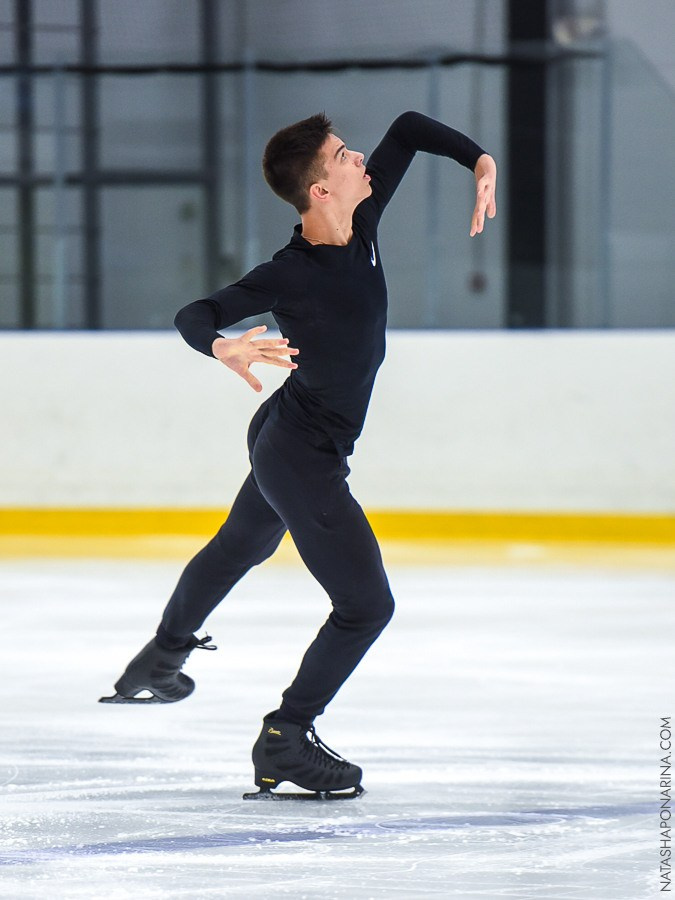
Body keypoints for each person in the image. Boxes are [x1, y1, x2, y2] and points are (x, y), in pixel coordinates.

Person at [100, 110, 497, 799]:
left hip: (286, 432)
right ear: (319, 190)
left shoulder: (361, 225)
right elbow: (195, 313)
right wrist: (222, 344)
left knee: (238, 547)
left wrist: (479, 160)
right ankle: (287, 735)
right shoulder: (290, 274)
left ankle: (158, 660)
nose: (360, 159)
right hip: (299, 453)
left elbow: (405, 128)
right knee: (365, 605)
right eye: (344, 156)